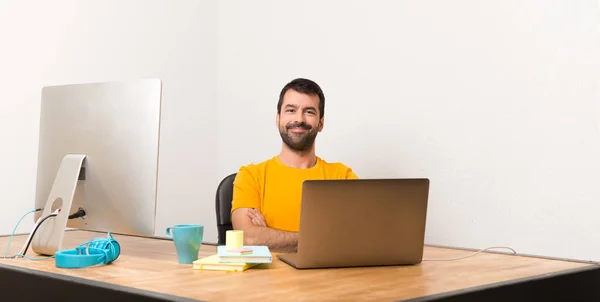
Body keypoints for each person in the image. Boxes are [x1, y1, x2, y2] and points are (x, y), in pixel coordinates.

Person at [230, 78, 358, 252]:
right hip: (266, 278)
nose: (299, 119)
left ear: (321, 123)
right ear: (278, 119)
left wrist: (270, 236)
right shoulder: (251, 176)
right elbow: (250, 238)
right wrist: (323, 237)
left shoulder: (342, 176)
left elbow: (356, 237)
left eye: (309, 112)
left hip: (328, 278)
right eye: (291, 110)